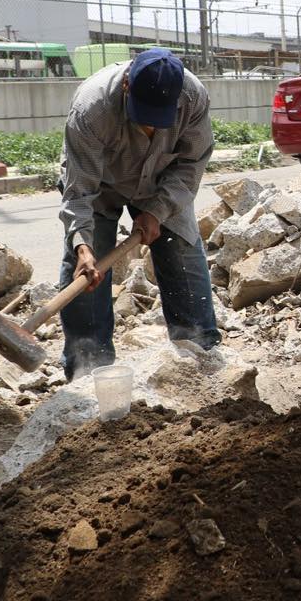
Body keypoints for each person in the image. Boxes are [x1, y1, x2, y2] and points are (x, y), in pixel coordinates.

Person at [57, 48, 220, 379]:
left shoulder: (192, 97)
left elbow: (191, 164)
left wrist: (157, 210)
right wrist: (83, 247)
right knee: (86, 273)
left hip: (164, 182)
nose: (149, 124)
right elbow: (79, 191)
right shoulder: (92, 109)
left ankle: (200, 360)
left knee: (182, 256)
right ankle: (88, 372)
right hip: (100, 185)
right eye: (143, 114)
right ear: (128, 85)